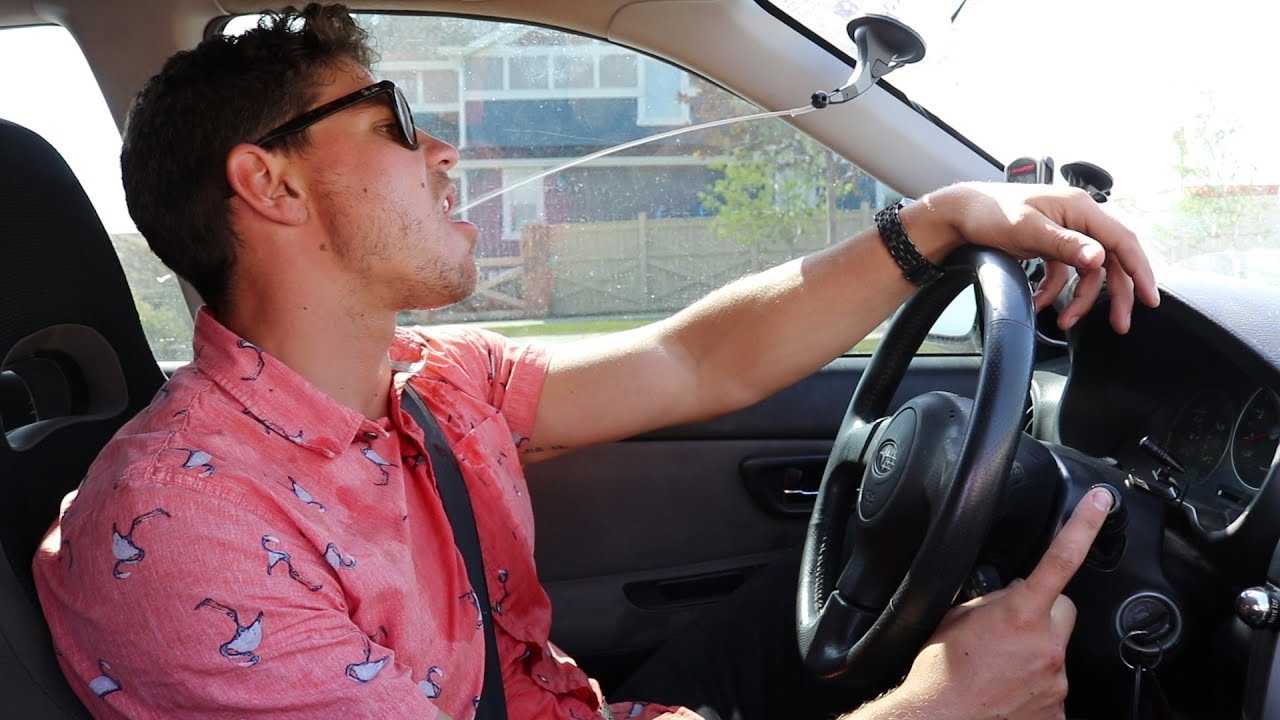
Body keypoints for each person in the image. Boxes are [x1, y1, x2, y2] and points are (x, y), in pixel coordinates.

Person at [31, 4, 1158, 720]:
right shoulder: (179, 534)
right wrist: (941, 713)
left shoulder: (428, 381)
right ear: (268, 184)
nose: (441, 149)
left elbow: (694, 359)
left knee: (995, 502)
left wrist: (943, 217)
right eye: (389, 119)